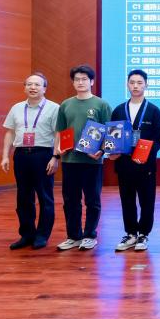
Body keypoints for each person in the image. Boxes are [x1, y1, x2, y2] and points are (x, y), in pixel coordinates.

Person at [54, 65, 112, 251]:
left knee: (92, 200)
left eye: (84, 79)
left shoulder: (101, 105)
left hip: (92, 162)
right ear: (73, 82)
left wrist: (101, 151)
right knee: (71, 200)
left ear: (92, 82)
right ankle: (73, 236)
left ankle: (90, 235)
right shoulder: (65, 104)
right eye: (77, 79)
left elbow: (110, 132)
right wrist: (57, 153)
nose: (80, 82)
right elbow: (60, 132)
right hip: (70, 160)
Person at [1, 73, 60, 250]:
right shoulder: (16, 108)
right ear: (25, 87)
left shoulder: (54, 108)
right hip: (21, 155)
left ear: (45, 88)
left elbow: (59, 134)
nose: (33, 87)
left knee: (45, 197)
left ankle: (42, 235)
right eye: (29, 84)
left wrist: (55, 157)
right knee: (23, 197)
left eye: (37, 85)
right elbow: (10, 132)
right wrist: (5, 156)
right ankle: (27, 234)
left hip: (43, 155)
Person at [109, 70, 160, 252]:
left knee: (147, 200)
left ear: (146, 85)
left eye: (139, 83)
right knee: (127, 199)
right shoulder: (118, 110)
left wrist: (146, 154)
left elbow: (158, 137)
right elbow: (112, 136)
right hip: (124, 164)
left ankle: (143, 234)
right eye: (132, 82)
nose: (136, 86)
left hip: (145, 165)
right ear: (127, 85)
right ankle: (131, 233)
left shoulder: (153, 110)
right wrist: (111, 152)